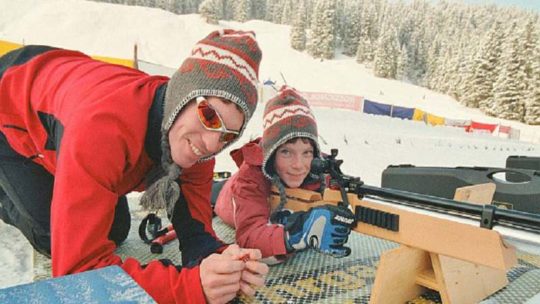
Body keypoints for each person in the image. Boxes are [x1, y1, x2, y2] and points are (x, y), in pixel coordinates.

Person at [0, 29, 269, 303]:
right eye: (210, 115)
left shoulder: (195, 142)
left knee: (114, 232)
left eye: (228, 135)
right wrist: (189, 287)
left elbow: (196, 233)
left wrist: (222, 263)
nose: (213, 144)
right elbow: (76, 275)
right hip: (11, 101)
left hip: (67, 98)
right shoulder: (102, 131)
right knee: (52, 239)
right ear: (182, 95)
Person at [214, 87, 355, 264]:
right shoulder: (250, 177)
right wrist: (296, 233)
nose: (298, 165)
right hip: (225, 194)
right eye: (286, 152)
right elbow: (249, 239)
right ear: (271, 153)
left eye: (307, 152)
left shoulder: (317, 167)